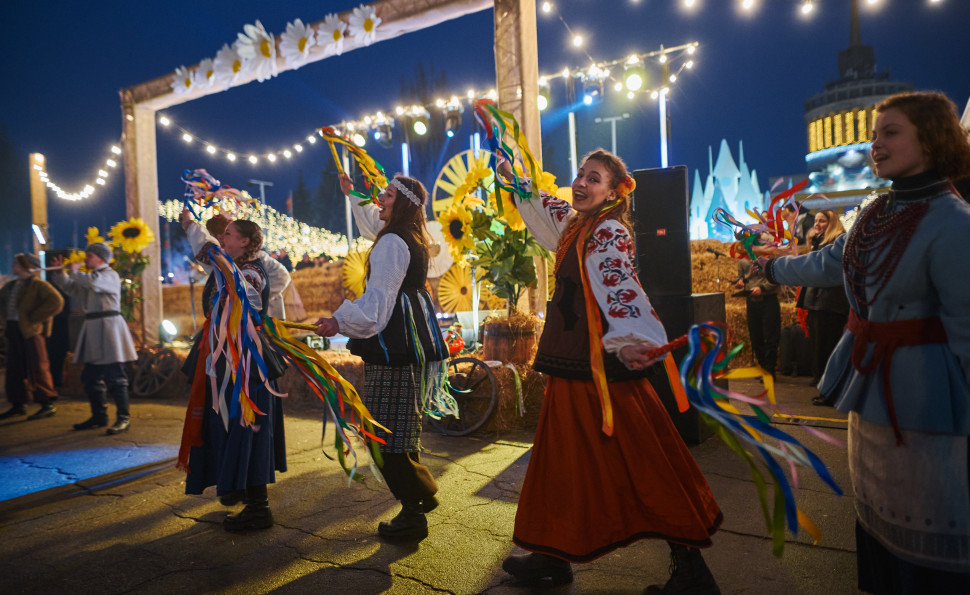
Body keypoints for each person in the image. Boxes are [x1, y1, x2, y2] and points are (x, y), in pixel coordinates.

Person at [763, 91, 970, 593]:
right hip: (871, 393)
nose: (875, 144)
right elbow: (827, 263)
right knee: (876, 517)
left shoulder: (955, 223)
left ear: (934, 137)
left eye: (891, 132)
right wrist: (769, 266)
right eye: (874, 134)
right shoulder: (876, 210)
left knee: (930, 527)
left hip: (926, 404)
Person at [499, 149, 722, 592]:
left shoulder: (608, 233)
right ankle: (551, 552)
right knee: (559, 463)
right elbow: (545, 205)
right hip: (572, 366)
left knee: (644, 462)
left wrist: (637, 338)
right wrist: (514, 176)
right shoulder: (578, 224)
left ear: (613, 193)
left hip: (600, 372)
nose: (581, 183)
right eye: (580, 174)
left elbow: (621, 283)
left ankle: (692, 570)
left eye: (594, 179)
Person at [314, 173, 448, 543]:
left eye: (386, 195)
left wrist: (338, 320)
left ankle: (415, 504)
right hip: (410, 338)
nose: (379, 199)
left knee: (383, 433)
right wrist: (352, 194)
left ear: (401, 204)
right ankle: (414, 505)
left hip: (397, 342)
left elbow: (379, 299)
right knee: (399, 430)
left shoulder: (391, 241)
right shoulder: (407, 233)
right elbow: (374, 218)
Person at [177, 209, 287, 532]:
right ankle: (235, 487)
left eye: (228, 234)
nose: (222, 238)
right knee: (229, 426)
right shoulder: (232, 267)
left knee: (245, 429)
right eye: (221, 234)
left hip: (246, 366)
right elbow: (213, 258)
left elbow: (240, 298)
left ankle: (258, 508)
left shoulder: (249, 272)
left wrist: (192, 227)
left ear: (244, 242)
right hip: (228, 360)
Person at [50, 243, 138, 434]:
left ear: (101, 258)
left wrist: (74, 272)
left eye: (90, 256)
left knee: (116, 376)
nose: (86, 259)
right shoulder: (89, 278)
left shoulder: (109, 275)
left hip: (109, 327)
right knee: (90, 376)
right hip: (92, 328)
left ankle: (124, 418)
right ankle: (99, 416)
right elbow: (71, 288)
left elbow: (93, 283)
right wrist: (60, 273)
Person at [0, 253, 64, 420]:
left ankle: (47, 403)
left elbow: (56, 302)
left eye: (17, 263)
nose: (13, 266)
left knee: (38, 367)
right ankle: (18, 404)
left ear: (26, 266)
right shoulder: (12, 285)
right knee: (14, 368)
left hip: (31, 331)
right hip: (14, 330)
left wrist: (35, 318)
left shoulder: (38, 285)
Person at [802, 210, 848, 405]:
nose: (817, 224)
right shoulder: (820, 242)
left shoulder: (836, 242)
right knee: (819, 346)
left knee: (827, 348)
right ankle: (824, 387)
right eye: (816, 221)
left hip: (829, 303)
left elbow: (819, 270)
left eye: (822, 221)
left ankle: (830, 392)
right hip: (818, 302)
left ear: (832, 223)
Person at [736, 251, 781, 378]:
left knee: (771, 335)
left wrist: (762, 288)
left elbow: (776, 278)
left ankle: (770, 369)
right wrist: (740, 283)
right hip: (751, 301)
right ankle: (762, 366)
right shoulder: (743, 260)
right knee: (756, 336)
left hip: (768, 299)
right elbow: (741, 277)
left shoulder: (771, 257)